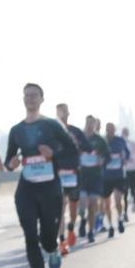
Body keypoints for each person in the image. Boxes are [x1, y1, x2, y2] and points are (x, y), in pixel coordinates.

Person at [4, 83, 78, 268]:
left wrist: (54, 154)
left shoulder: (52, 125)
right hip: (26, 189)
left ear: (42, 99)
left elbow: (72, 151)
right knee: (29, 236)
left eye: (35, 95)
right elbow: (8, 161)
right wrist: (12, 162)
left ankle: (53, 248)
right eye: (27, 95)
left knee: (47, 238)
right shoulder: (16, 130)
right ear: (23, 99)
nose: (31, 99)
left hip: (50, 189)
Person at [55, 103, 90, 254]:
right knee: (60, 207)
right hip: (57, 173)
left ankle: (71, 228)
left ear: (68, 113)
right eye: (59, 112)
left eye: (64, 111)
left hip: (74, 173)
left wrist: (77, 144)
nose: (62, 114)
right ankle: (62, 241)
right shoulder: (52, 131)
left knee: (73, 207)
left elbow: (88, 148)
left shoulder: (75, 131)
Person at [78, 115, 110, 244]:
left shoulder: (100, 140)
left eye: (92, 123)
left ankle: (90, 231)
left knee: (93, 205)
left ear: (95, 124)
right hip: (82, 175)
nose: (90, 125)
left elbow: (108, 155)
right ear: (85, 123)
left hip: (96, 176)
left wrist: (103, 160)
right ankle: (82, 219)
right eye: (88, 122)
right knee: (83, 203)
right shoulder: (80, 138)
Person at [101, 122, 130, 238]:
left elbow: (127, 153)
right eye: (108, 129)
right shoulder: (102, 141)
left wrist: (125, 158)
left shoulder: (120, 141)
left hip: (118, 175)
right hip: (105, 176)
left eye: (112, 129)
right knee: (107, 204)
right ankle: (110, 226)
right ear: (106, 130)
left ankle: (120, 219)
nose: (109, 131)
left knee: (118, 200)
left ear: (115, 130)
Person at [121, 127, 135, 218]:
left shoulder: (132, 143)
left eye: (126, 132)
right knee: (125, 191)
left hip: (133, 169)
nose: (124, 134)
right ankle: (125, 212)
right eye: (123, 132)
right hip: (124, 170)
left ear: (128, 133)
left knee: (133, 188)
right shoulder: (119, 143)